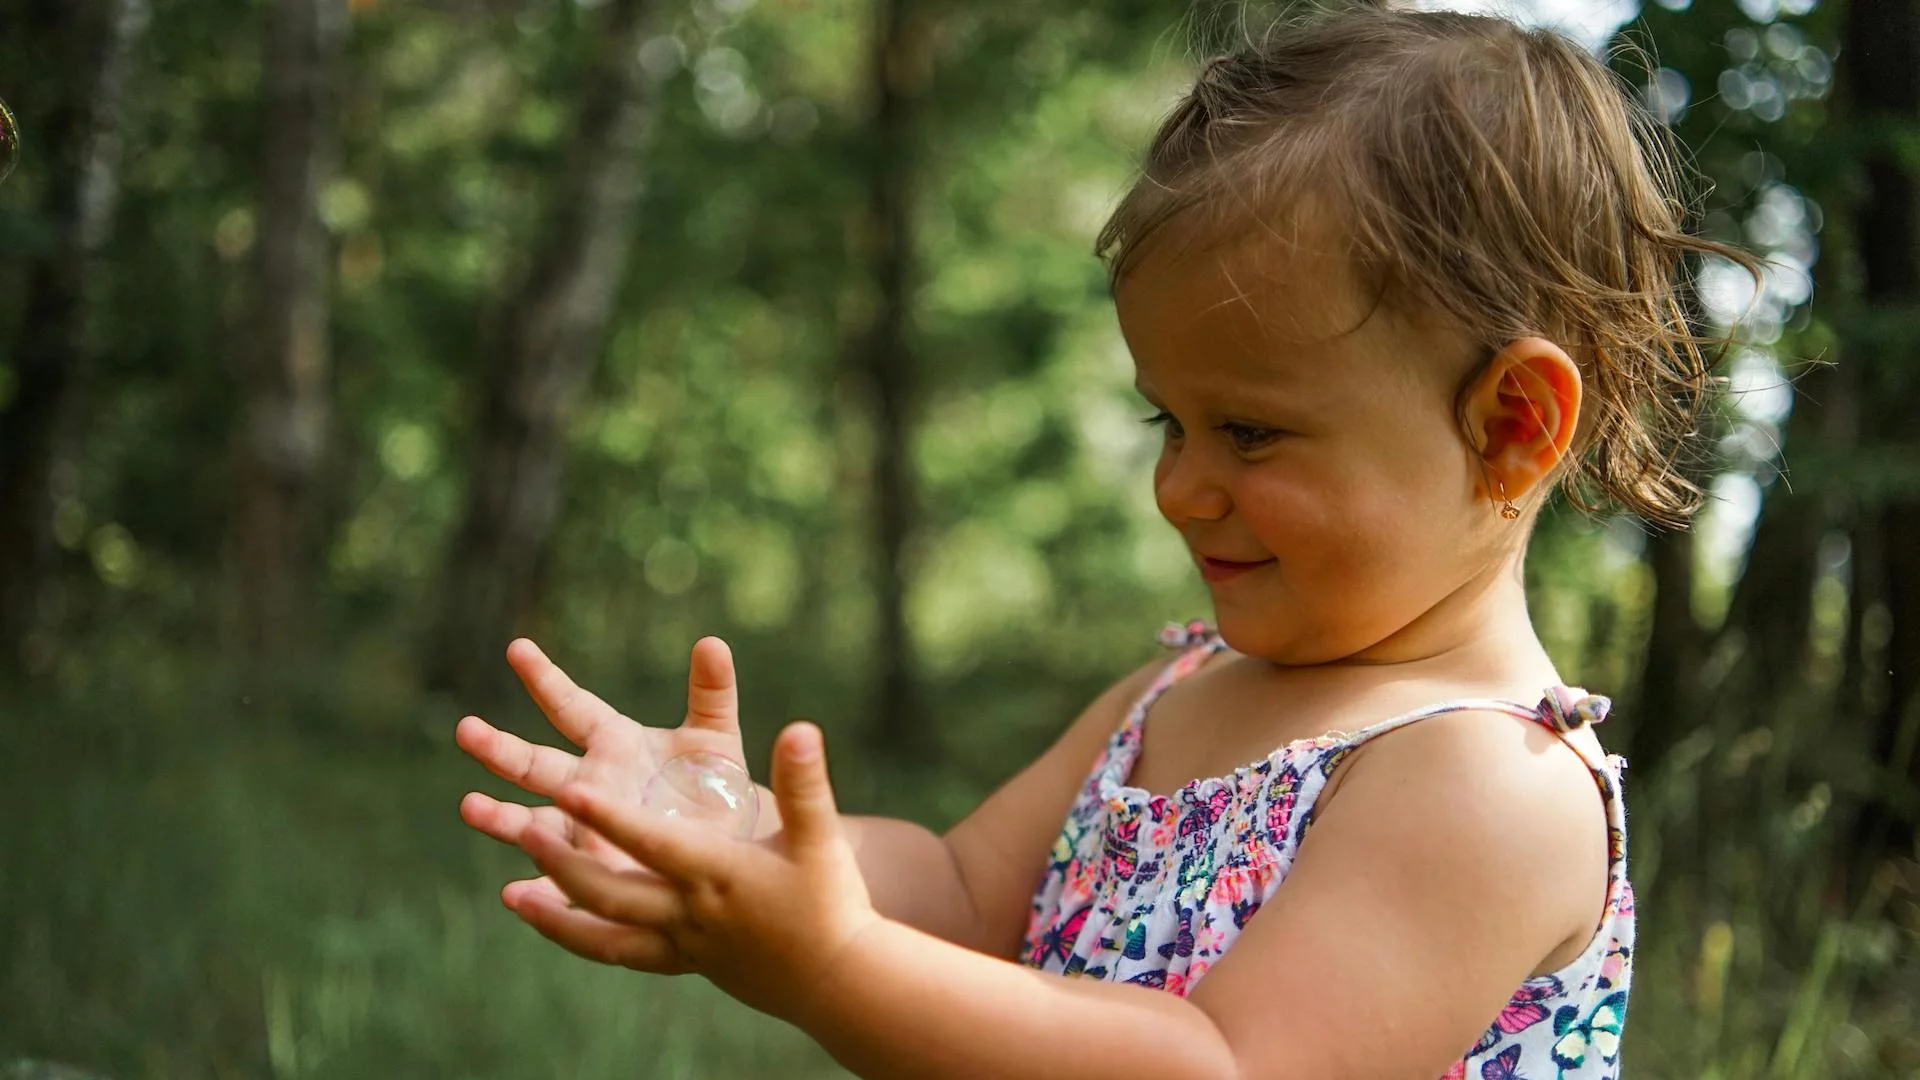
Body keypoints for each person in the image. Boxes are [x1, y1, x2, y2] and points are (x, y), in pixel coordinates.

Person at [455, 5, 1759, 1076]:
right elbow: (963, 891)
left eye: (1248, 432)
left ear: (1514, 424)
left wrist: (832, 964)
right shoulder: (1181, 689)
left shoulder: (1490, 786)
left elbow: (1220, 1066)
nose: (1177, 487)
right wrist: (734, 841)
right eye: (1167, 420)